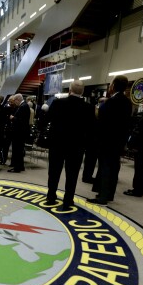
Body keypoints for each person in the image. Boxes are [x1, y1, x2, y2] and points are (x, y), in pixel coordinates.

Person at [46, 80, 95, 209]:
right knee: (72, 174)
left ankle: (51, 197)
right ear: (83, 92)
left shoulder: (57, 103)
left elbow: (47, 119)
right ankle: (68, 199)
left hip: (57, 144)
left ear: (69, 90)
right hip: (77, 146)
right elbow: (91, 129)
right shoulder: (89, 108)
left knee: (54, 171)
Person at [86, 75, 132, 206]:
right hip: (119, 142)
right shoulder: (127, 102)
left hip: (107, 141)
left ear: (114, 86)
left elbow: (102, 121)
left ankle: (102, 197)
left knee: (105, 168)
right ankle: (109, 194)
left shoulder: (111, 102)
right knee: (114, 168)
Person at [8, 94, 30, 173]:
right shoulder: (25, 106)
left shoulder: (23, 107)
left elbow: (21, 121)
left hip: (19, 132)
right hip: (21, 132)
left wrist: (13, 118)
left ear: (18, 99)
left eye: (14, 101)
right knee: (20, 150)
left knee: (17, 150)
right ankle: (21, 166)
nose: (14, 102)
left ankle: (17, 167)